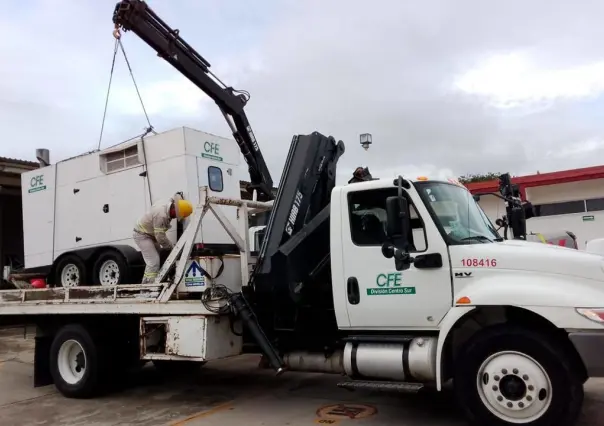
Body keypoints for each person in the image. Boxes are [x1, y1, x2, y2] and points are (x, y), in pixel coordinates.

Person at [133, 196, 193, 284]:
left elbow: (172, 198)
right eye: (177, 215)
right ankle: (148, 288)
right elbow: (160, 237)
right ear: (174, 210)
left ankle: (147, 283)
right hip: (142, 235)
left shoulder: (168, 204)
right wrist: (171, 248)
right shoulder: (161, 215)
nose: (175, 217)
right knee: (153, 262)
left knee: (154, 261)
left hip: (149, 234)